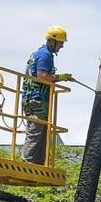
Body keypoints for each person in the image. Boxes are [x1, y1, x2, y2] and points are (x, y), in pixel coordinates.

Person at [23, 26, 68, 164]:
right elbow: (42, 76)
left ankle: (37, 164)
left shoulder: (44, 54)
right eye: (60, 43)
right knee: (35, 132)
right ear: (51, 41)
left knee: (42, 133)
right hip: (36, 100)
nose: (61, 46)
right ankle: (27, 162)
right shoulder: (44, 55)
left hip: (39, 99)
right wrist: (60, 77)